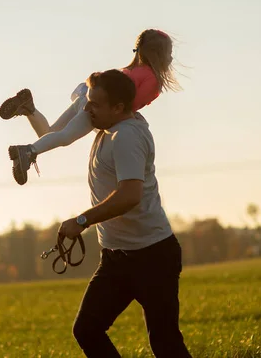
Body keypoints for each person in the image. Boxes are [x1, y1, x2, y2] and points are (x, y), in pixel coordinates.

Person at [56, 69, 192, 357]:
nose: (86, 109)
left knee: (166, 344)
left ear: (118, 108)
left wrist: (82, 221)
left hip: (152, 256)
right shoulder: (110, 126)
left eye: (94, 104)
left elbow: (130, 195)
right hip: (116, 259)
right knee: (87, 330)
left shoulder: (126, 136)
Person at [0, 29, 179, 185]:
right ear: (157, 54)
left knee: (49, 135)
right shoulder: (153, 79)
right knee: (66, 137)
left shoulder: (129, 70)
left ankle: (29, 108)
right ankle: (27, 151)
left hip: (89, 95)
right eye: (169, 53)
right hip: (100, 106)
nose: (171, 57)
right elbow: (127, 106)